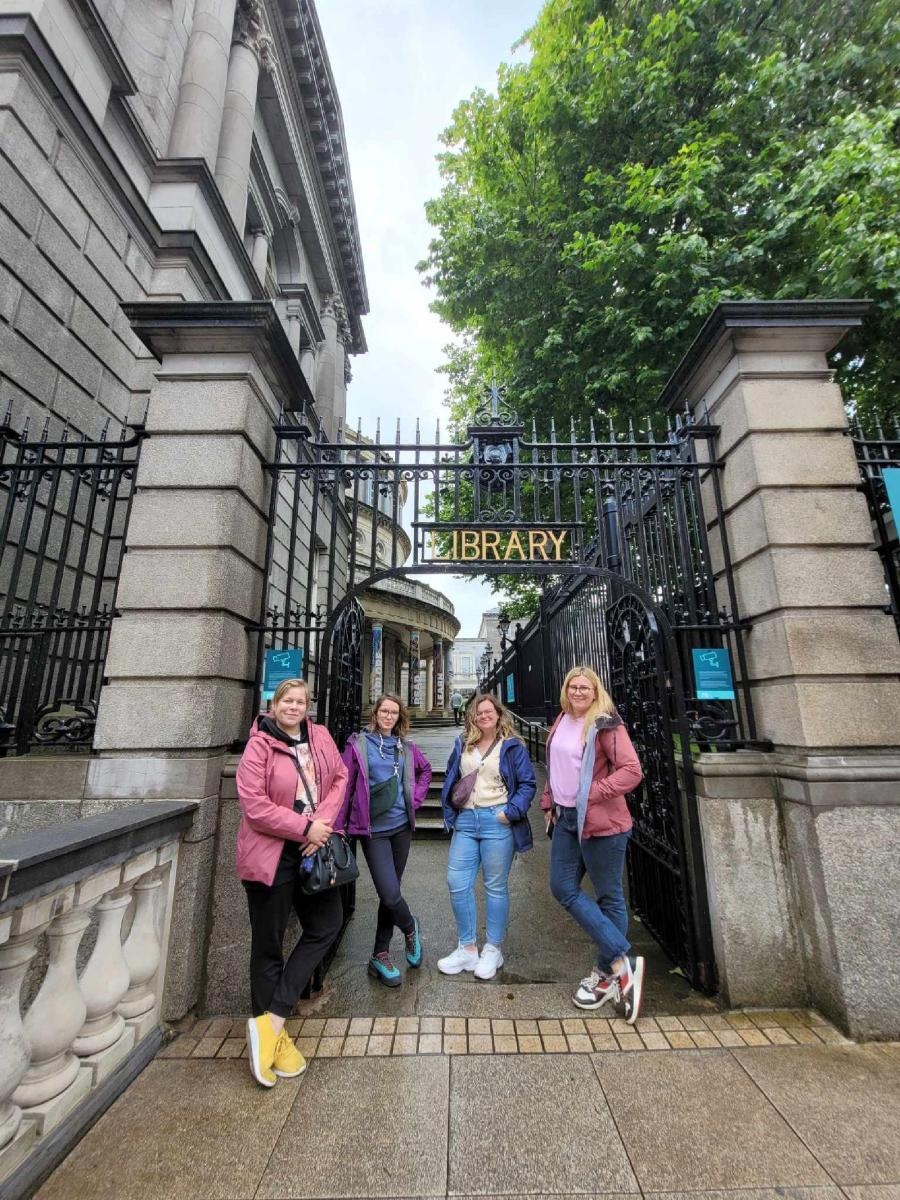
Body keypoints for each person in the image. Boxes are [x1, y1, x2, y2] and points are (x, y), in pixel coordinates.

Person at [236, 677, 348, 1087]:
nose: (294, 707)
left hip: (313, 848)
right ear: (274, 705)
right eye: (287, 700)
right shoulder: (258, 746)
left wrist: (321, 824)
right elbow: (254, 806)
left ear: (307, 705)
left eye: (300, 701)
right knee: (268, 944)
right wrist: (305, 828)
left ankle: (272, 1020)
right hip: (272, 855)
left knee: (326, 925)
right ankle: (273, 1039)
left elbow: (340, 777)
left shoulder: (319, 736)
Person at [541, 665, 646, 1022]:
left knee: (609, 896)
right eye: (573, 686)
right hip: (566, 820)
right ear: (566, 689)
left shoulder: (606, 723)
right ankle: (623, 960)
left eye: (585, 687)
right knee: (562, 887)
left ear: (595, 690)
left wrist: (591, 793)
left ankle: (606, 975)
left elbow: (632, 770)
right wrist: (549, 802)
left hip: (603, 822)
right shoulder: (561, 719)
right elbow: (556, 766)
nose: (579, 692)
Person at [438, 693, 536, 980]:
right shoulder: (463, 742)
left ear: (498, 714)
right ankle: (467, 948)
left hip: (498, 820)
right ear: (472, 717)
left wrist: (511, 812)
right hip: (467, 820)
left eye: (488, 711)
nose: (483, 716)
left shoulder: (512, 746)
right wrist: (451, 810)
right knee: (457, 882)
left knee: (495, 886)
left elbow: (528, 783)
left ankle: (493, 948)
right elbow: (451, 775)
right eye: (478, 712)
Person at [341, 693, 433, 986]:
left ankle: (379, 954)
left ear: (399, 717)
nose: (388, 716)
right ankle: (410, 927)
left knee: (388, 893)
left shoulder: (406, 747)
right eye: (384, 711)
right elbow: (344, 784)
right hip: (373, 831)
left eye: (394, 712)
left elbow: (426, 771)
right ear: (376, 714)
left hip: (401, 829)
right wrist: (339, 825)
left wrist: (414, 801)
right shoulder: (358, 745)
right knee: (391, 893)